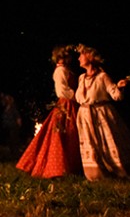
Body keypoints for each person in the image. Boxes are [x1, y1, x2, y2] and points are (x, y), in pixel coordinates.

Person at [74, 44, 130, 181]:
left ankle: (119, 170)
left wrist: (119, 87)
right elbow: (79, 96)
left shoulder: (102, 76)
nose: (78, 58)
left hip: (101, 114)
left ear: (89, 57)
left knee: (109, 142)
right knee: (91, 144)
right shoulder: (81, 78)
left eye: (81, 55)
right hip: (85, 115)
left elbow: (116, 96)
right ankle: (97, 175)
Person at [15, 45, 82, 178]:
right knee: (64, 133)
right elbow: (62, 90)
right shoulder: (60, 71)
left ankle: (73, 166)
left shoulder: (65, 69)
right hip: (66, 104)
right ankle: (59, 168)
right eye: (67, 56)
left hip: (70, 103)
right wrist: (78, 97)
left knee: (70, 133)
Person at [0, 93, 24, 159]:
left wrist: (18, 126)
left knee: (14, 141)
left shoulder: (13, 108)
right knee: (10, 141)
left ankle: (17, 155)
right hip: (8, 127)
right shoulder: (5, 108)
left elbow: (18, 118)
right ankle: (13, 154)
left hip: (13, 127)